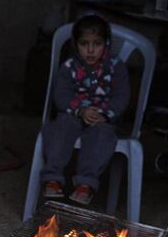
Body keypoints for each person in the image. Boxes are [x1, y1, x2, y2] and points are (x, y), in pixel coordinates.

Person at [40, 14, 130, 205]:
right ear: (75, 44)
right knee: (59, 127)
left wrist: (104, 114)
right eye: (84, 43)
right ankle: (53, 178)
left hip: (102, 118)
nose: (90, 50)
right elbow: (61, 96)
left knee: (102, 135)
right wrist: (80, 110)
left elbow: (121, 97)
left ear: (106, 43)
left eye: (97, 44)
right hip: (73, 114)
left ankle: (85, 184)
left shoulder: (116, 67)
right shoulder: (69, 67)